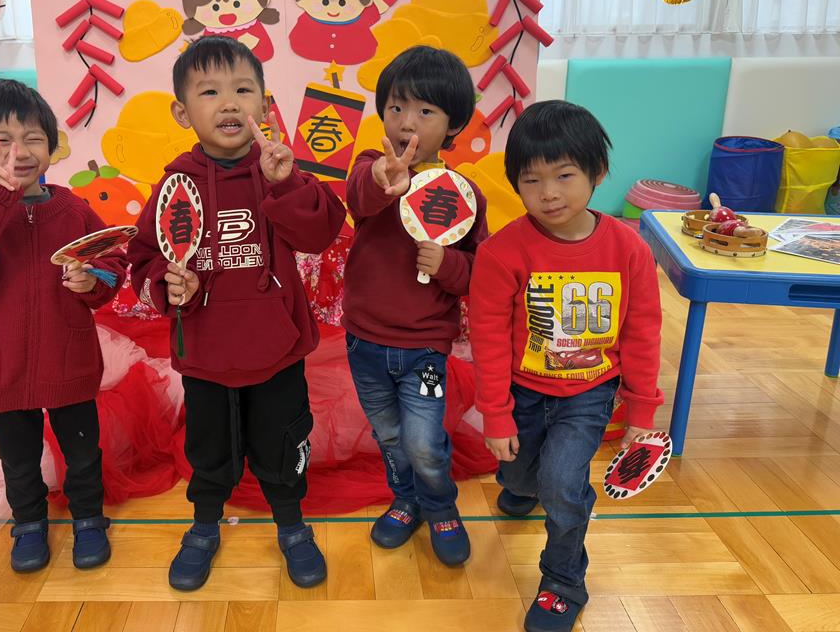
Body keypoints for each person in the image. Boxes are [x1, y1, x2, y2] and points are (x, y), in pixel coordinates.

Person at [127, 36, 346, 590]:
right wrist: (168, 284)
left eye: (243, 90)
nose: (228, 103)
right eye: (209, 92)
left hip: (276, 351)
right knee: (209, 452)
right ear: (182, 112)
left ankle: (292, 525)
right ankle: (204, 526)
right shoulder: (176, 183)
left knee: (283, 445)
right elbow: (144, 258)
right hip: (206, 353)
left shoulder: (279, 168)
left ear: (265, 106)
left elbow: (320, 233)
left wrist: (286, 182)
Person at [470, 100, 664, 632]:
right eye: (531, 181)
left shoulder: (629, 249)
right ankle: (523, 486)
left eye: (564, 175)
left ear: (597, 172)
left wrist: (642, 411)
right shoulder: (501, 253)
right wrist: (496, 414)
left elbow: (643, 333)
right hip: (523, 389)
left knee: (560, 483)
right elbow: (488, 338)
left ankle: (562, 581)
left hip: (589, 392)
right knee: (520, 472)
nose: (549, 193)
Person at [0, 77, 126, 573]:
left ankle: (89, 517)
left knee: (83, 449)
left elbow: (111, 264)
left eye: (33, 138)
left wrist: (92, 281)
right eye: (2, 140)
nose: (20, 151)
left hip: (67, 354)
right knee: (16, 455)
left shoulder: (73, 209)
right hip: (0, 361)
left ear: (51, 146)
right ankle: (29, 523)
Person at [342, 45, 488, 566]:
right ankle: (405, 501)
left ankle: (440, 507)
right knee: (389, 436)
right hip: (364, 341)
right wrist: (385, 179)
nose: (407, 122)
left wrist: (446, 263)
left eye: (425, 111)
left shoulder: (463, 195)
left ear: (454, 126)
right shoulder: (371, 168)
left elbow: (477, 274)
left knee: (423, 441)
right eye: (396, 107)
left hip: (425, 347)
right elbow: (358, 198)